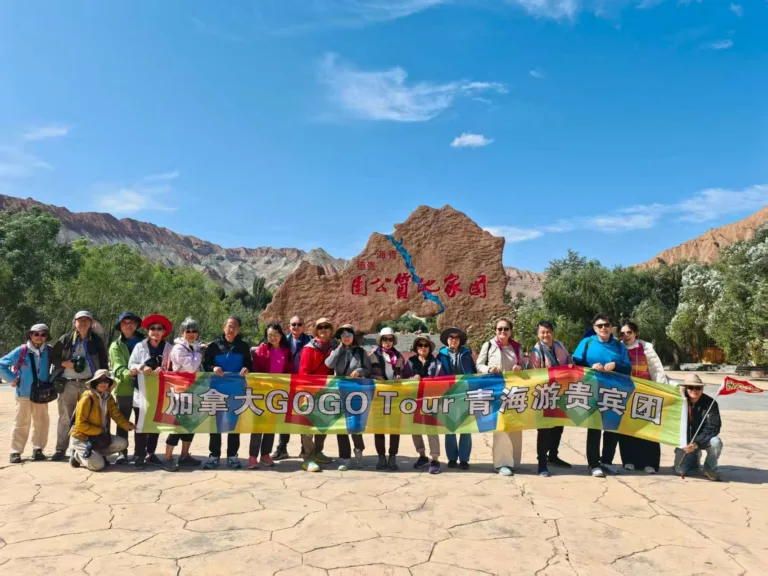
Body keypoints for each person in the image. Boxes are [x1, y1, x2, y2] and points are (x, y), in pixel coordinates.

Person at [572, 313, 632, 478]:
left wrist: (616, 365)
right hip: (592, 389)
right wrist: (591, 365)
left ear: (611, 327)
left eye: (606, 325)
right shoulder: (587, 342)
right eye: (600, 326)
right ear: (594, 328)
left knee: (612, 427)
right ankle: (593, 464)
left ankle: (607, 461)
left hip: (614, 391)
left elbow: (628, 368)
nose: (603, 328)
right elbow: (575, 362)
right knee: (594, 427)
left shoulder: (619, 346)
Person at [50, 311, 109, 461]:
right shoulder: (66, 339)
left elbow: (103, 361)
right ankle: (61, 449)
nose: (83, 322)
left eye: (86, 320)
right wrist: (64, 363)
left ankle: (91, 448)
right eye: (79, 320)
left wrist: (104, 383)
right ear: (74, 323)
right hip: (68, 382)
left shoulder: (96, 341)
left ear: (91, 323)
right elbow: (52, 357)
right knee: (65, 417)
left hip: (90, 384)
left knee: (92, 418)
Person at [202, 315, 252, 470]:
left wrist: (247, 369)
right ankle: (214, 456)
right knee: (215, 425)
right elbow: (206, 364)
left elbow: (250, 365)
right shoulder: (213, 346)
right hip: (216, 391)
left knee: (233, 424)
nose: (232, 329)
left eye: (235, 326)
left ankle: (232, 456)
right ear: (223, 327)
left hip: (236, 392)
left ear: (239, 330)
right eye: (229, 326)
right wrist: (213, 368)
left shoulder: (243, 347)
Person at [477, 317, 524, 477]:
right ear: (495, 331)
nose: (503, 332)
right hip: (496, 390)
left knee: (515, 427)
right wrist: (489, 369)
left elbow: (524, 366)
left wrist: (520, 367)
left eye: (506, 329)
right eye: (499, 329)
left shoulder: (517, 347)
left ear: (511, 331)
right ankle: (502, 463)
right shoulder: (489, 345)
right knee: (501, 427)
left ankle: (514, 461)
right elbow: (479, 365)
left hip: (515, 390)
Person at [620, 320, 667, 475]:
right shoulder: (618, 348)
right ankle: (629, 461)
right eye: (623, 333)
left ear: (636, 333)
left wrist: (661, 389)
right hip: (626, 393)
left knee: (648, 428)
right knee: (627, 428)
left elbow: (656, 370)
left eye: (629, 332)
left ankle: (650, 463)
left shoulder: (646, 348)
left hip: (646, 393)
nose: (626, 336)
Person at [527, 320, 574, 477]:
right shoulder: (536, 350)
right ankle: (542, 463)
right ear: (538, 334)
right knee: (545, 429)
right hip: (544, 394)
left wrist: (570, 366)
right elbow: (533, 374)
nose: (545, 335)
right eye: (542, 332)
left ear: (552, 332)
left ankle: (553, 455)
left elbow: (568, 360)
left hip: (560, 393)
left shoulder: (559, 345)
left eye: (548, 332)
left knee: (558, 426)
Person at [0, 323, 52, 463]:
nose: (39, 337)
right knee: (21, 422)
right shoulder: (21, 350)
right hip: (24, 392)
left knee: (42, 422)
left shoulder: (49, 350)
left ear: (46, 336)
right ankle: (15, 451)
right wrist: (13, 378)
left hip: (42, 394)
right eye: (36, 334)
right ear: (30, 335)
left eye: (43, 334)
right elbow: (1, 364)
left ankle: (38, 449)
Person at [128, 314, 173, 469]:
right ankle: (139, 454)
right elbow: (131, 364)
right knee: (141, 423)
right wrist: (142, 367)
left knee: (155, 423)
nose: (155, 331)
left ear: (163, 332)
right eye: (152, 328)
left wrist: (164, 370)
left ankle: (150, 453)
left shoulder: (168, 348)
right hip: (141, 391)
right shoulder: (140, 346)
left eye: (159, 329)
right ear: (148, 331)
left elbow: (173, 368)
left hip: (160, 392)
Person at [429, 327, 477, 469]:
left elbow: (472, 372)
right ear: (446, 340)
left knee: (465, 428)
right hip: (447, 394)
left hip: (464, 392)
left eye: (456, 337)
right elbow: (435, 372)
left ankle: (464, 459)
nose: (453, 340)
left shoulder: (466, 353)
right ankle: (451, 458)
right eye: (451, 337)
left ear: (460, 340)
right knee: (450, 427)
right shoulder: (441, 355)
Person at [70, 369, 135, 471]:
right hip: (83, 437)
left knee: (123, 443)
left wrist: (128, 425)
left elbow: (116, 415)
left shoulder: (108, 397)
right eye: (100, 381)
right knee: (99, 466)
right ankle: (77, 456)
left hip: (98, 437)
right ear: (95, 382)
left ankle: (95, 455)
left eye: (106, 381)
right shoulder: (87, 398)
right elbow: (80, 425)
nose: (103, 384)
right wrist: (99, 431)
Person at [325, 324, 370, 471]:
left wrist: (359, 370)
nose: (346, 337)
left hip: (356, 392)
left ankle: (359, 451)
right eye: (343, 335)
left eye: (349, 334)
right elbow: (329, 364)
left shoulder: (360, 352)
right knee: (341, 425)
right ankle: (344, 458)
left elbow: (367, 369)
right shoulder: (336, 351)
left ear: (353, 336)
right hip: (339, 390)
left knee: (355, 423)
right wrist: (339, 349)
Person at [162, 317, 204, 472]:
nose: (192, 334)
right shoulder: (179, 348)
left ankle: (185, 455)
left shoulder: (193, 346)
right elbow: (192, 367)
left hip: (194, 391)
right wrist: (199, 353)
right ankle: (167, 458)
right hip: (181, 392)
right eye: (188, 331)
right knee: (178, 426)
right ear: (182, 332)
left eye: (194, 331)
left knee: (190, 425)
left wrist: (197, 349)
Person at [249, 323, 293, 469]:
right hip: (262, 392)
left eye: (275, 334)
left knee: (271, 425)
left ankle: (265, 454)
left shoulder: (287, 351)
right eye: (269, 335)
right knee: (258, 426)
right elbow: (256, 370)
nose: (272, 338)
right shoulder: (262, 349)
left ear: (281, 335)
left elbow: (289, 371)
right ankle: (253, 456)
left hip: (277, 394)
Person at [298, 317, 336, 472]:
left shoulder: (335, 346)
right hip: (309, 392)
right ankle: (308, 457)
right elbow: (304, 372)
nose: (323, 330)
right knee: (307, 425)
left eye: (326, 327)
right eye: (320, 327)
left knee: (323, 423)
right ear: (316, 330)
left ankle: (318, 451)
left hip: (327, 392)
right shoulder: (309, 348)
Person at [271, 315, 311, 461]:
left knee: (304, 416)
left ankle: (305, 449)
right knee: (284, 416)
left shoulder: (310, 341)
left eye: (299, 324)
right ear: (289, 326)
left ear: (304, 326)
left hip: (304, 384)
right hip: (285, 383)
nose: (296, 327)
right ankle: (282, 448)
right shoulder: (283, 341)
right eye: (293, 324)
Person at [108, 312, 144, 465]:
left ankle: (140, 453)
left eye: (132, 322)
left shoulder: (145, 342)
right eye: (125, 323)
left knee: (142, 421)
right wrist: (128, 372)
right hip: (124, 387)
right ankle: (122, 452)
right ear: (120, 326)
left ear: (136, 325)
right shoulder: (116, 345)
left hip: (144, 387)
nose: (128, 325)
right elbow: (117, 366)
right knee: (122, 420)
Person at [402, 335, 441, 475]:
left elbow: (441, 381)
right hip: (413, 400)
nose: (423, 348)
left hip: (431, 400)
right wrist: (412, 379)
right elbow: (404, 379)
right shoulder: (410, 362)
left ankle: (435, 459)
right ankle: (422, 456)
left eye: (425, 345)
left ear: (430, 348)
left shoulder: (437, 363)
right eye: (420, 345)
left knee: (431, 430)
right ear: (416, 348)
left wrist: (426, 380)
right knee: (415, 429)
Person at [673, 374, 722, 481]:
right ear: (685, 388)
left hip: (703, 439)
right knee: (679, 471)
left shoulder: (711, 403)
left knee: (716, 442)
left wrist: (696, 443)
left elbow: (714, 427)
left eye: (698, 388)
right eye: (690, 387)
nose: (694, 390)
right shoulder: (679, 401)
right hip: (685, 441)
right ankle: (695, 458)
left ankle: (709, 468)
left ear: (702, 388)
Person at [370, 327, 405, 471]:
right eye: (385, 339)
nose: (388, 342)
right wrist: (374, 377)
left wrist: (400, 377)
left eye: (391, 339)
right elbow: (367, 373)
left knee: (394, 428)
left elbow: (405, 374)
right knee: (379, 428)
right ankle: (381, 457)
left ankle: (392, 457)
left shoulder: (399, 356)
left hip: (395, 396)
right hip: (378, 395)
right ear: (380, 340)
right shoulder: (373, 355)